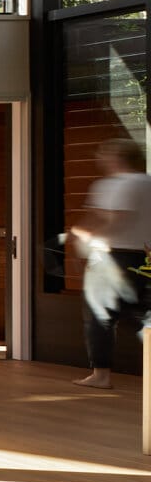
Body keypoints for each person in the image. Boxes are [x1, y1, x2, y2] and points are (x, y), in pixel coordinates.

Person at [71, 138, 151, 389]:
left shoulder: (119, 185)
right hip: (145, 255)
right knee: (143, 314)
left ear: (118, 157)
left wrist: (85, 238)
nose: (100, 156)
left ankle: (101, 375)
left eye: (105, 152)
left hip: (111, 257)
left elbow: (116, 221)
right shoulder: (147, 182)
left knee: (100, 316)